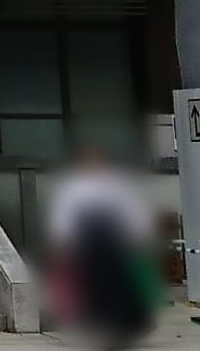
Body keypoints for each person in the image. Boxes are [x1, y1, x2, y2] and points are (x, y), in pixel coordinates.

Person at [44, 148, 157, 347]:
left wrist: (138, 235)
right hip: (87, 243)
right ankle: (107, 323)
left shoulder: (115, 184)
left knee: (120, 282)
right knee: (95, 286)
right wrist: (62, 241)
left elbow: (131, 209)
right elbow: (65, 215)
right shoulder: (75, 187)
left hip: (114, 241)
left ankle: (126, 322)